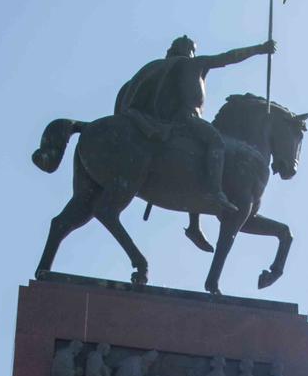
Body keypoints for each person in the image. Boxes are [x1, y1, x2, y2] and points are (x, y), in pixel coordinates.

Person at [115, 34, 275, 243]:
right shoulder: (193, 64)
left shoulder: (157, 67)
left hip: (162, 120)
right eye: (192, 50)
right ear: (189, 50)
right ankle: (216, 193)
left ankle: (193, 225)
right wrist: (259, 49)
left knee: (197, 157)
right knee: (215, 142)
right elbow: (228, 57)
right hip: (185, 119)